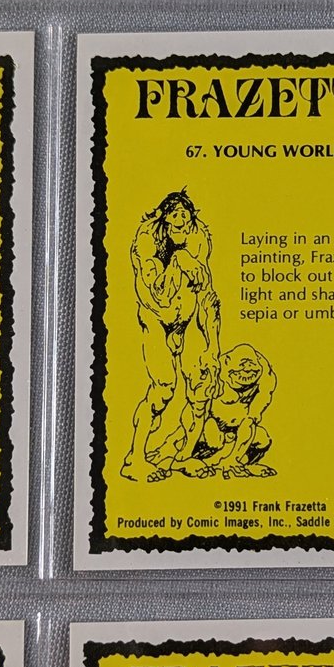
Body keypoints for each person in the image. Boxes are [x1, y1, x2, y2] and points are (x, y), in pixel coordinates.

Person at [122, 189, 220, 482]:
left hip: (187, 318)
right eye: (174, 217)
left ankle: (183, 455)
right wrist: (178, 260)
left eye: (185, 219)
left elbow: (207, 297)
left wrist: (212, 347)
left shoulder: (198, 241)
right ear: (164, 220)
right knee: (164, 387)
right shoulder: (146, 244)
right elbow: (160, 296)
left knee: (202, 385)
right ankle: (135, 459)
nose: (181, 224)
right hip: (156, 318)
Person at [180, 343, 277, 479]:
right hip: (209, 424)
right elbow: (196, 411)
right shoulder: (214, 371)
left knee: (262, 439)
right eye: (240, 370)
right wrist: (188, 447)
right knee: (214, 439)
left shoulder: (266, 378)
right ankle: (206, 461)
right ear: (227, 362)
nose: (246, 374)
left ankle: (236, 463)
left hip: (237, 429)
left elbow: (250, 420)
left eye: (251, 371)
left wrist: (234, 458)